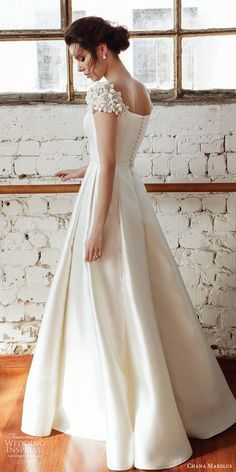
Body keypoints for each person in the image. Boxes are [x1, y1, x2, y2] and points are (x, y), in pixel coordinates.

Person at [21, 16, 236, 472]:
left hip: (108, 205)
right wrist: (83, 170)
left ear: (102, 49)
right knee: (140, 299)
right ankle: (174, 399)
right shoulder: (140, 89)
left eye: (81, 58)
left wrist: (95, 229)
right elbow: (116, 158)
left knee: (109, 302)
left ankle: (119, 405)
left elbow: (110, 160)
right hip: (129, 198)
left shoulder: (104, 92)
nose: (80, 70)